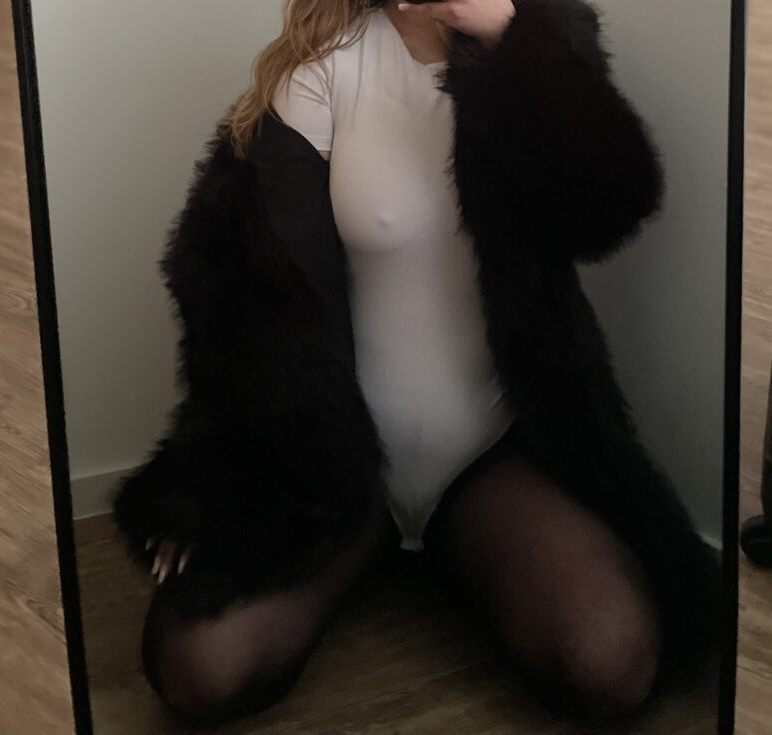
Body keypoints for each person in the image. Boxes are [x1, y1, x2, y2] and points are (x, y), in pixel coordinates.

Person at [113, 0, 721, 728]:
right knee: (199, 669)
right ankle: (388, 551)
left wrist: (511, 36)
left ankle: (455, 549)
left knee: (610, 661)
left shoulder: (537, 45)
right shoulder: (323, 71)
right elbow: (249, 307)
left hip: (489, 455)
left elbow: (611, 208)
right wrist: (208, 478)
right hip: (342, 468)